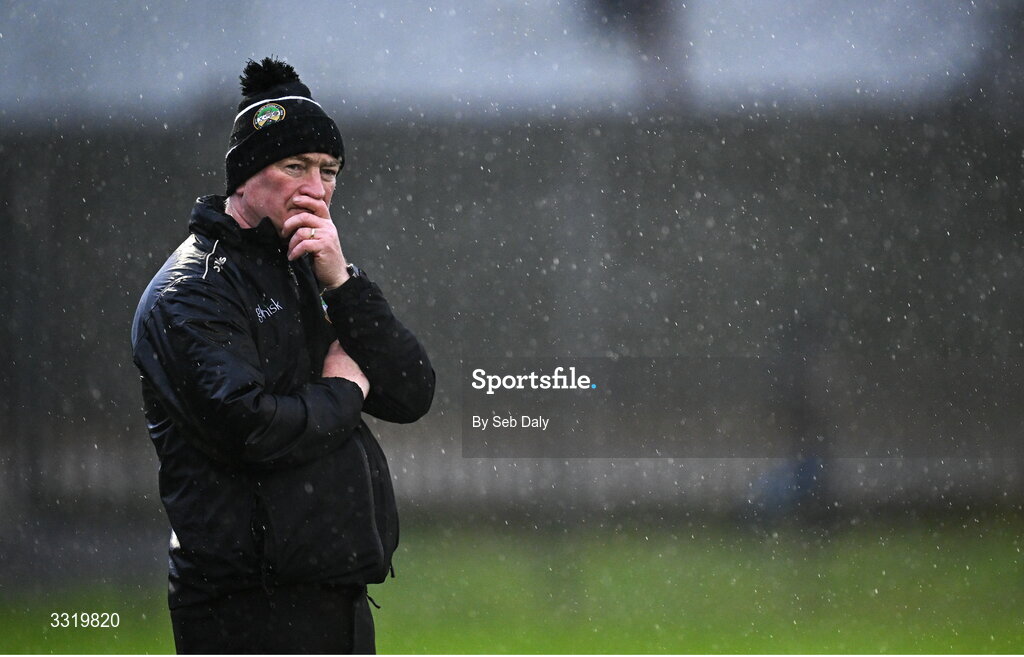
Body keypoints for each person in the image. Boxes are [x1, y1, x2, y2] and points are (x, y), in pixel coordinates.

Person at [130, 57, 435, 654]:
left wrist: (343, 283)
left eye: (328, 170)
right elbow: (251, 427)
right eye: (294, 166)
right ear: (243, 177)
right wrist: (344, 394)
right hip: (248, 609)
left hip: (333, 596)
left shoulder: (309, 266)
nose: (316, 189)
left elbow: (410, 391)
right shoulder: (193, 291)